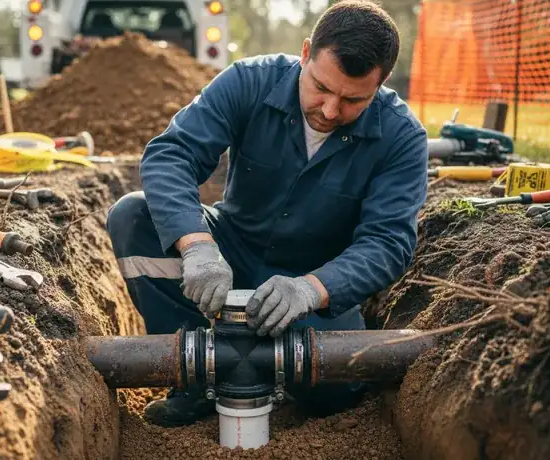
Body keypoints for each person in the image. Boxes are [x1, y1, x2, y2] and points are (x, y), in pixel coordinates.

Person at [107, 0, 428, 427]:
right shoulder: (249, 81)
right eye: (321, 87)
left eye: (353, 100)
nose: (330, 111)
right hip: (233, 245)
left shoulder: (402, 137)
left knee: (335, 392)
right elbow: (172, 155)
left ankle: (273, 369)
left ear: (382, 82)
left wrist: (311, 290)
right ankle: (193, 379)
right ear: (305, 52)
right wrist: (198, 247)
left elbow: (388, 242)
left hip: (314, 278)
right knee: (133, 216)